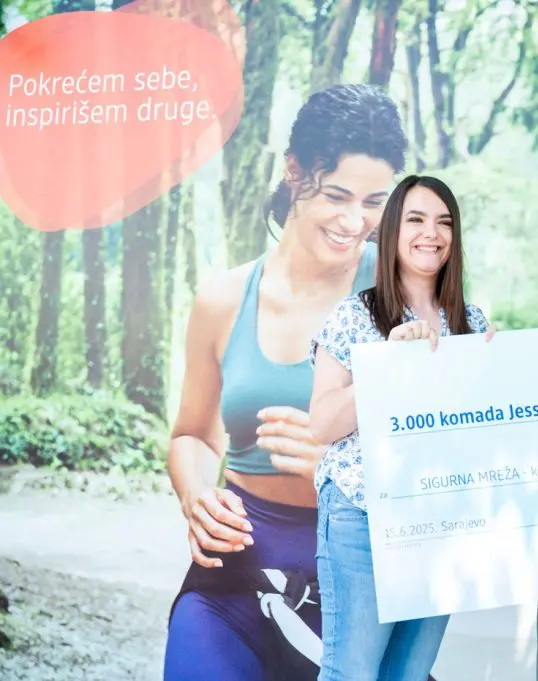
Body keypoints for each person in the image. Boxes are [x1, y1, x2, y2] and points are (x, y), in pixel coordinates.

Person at [162, 83, 408, 681]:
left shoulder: (407, 301)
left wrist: (343, 469)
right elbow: (193, 435)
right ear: (294, 172)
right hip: (233, 573)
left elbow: (447, 464)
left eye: (374, 202)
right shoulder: (223, 299)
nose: (355, 221)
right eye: (337, 195)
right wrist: (196, 494)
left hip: (358, 582)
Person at [307, 174, 496, 681]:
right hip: (362, 516)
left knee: (407, 674)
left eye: (444, 222)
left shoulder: (472, 324)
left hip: (440, 521)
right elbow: (322, 423)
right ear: (391, 231)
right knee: (351, 672)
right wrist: (387, 366)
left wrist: (509, 365)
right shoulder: (355, 315)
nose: (431, 233)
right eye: (416, 219)